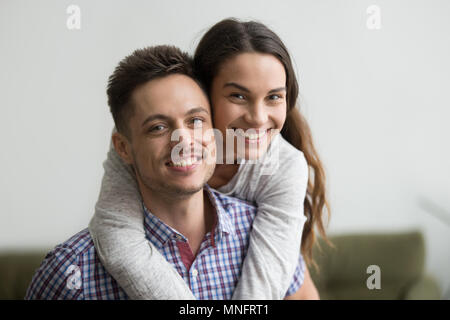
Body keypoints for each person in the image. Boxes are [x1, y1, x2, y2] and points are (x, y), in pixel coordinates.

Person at [25, 45, 307, 300]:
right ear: (123, 148)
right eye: (157, 127)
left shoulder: (264, 239)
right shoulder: (69, 273)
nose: (183, 140)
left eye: (195, 120)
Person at [88, 18, 330, 300]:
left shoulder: (283, 167)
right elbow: (118, 238)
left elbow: (264, 287)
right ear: (202, 92)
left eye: (274, 97)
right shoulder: (142, 145)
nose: (258, 118)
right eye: (238, 95)